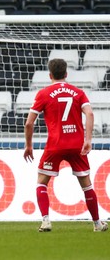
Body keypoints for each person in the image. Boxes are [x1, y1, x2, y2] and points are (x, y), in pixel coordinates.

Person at [23, 58, 108, 232]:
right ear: (66, 74)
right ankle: (97, 224)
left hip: (55, 144)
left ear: (50, 75)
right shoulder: (78, 92)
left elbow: (29, 123)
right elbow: (90, 114)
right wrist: (88, 139)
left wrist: (29, 145)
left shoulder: (44, 94)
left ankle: (46, 220)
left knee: (41, 183)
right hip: (77, 144)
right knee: (87, 185)